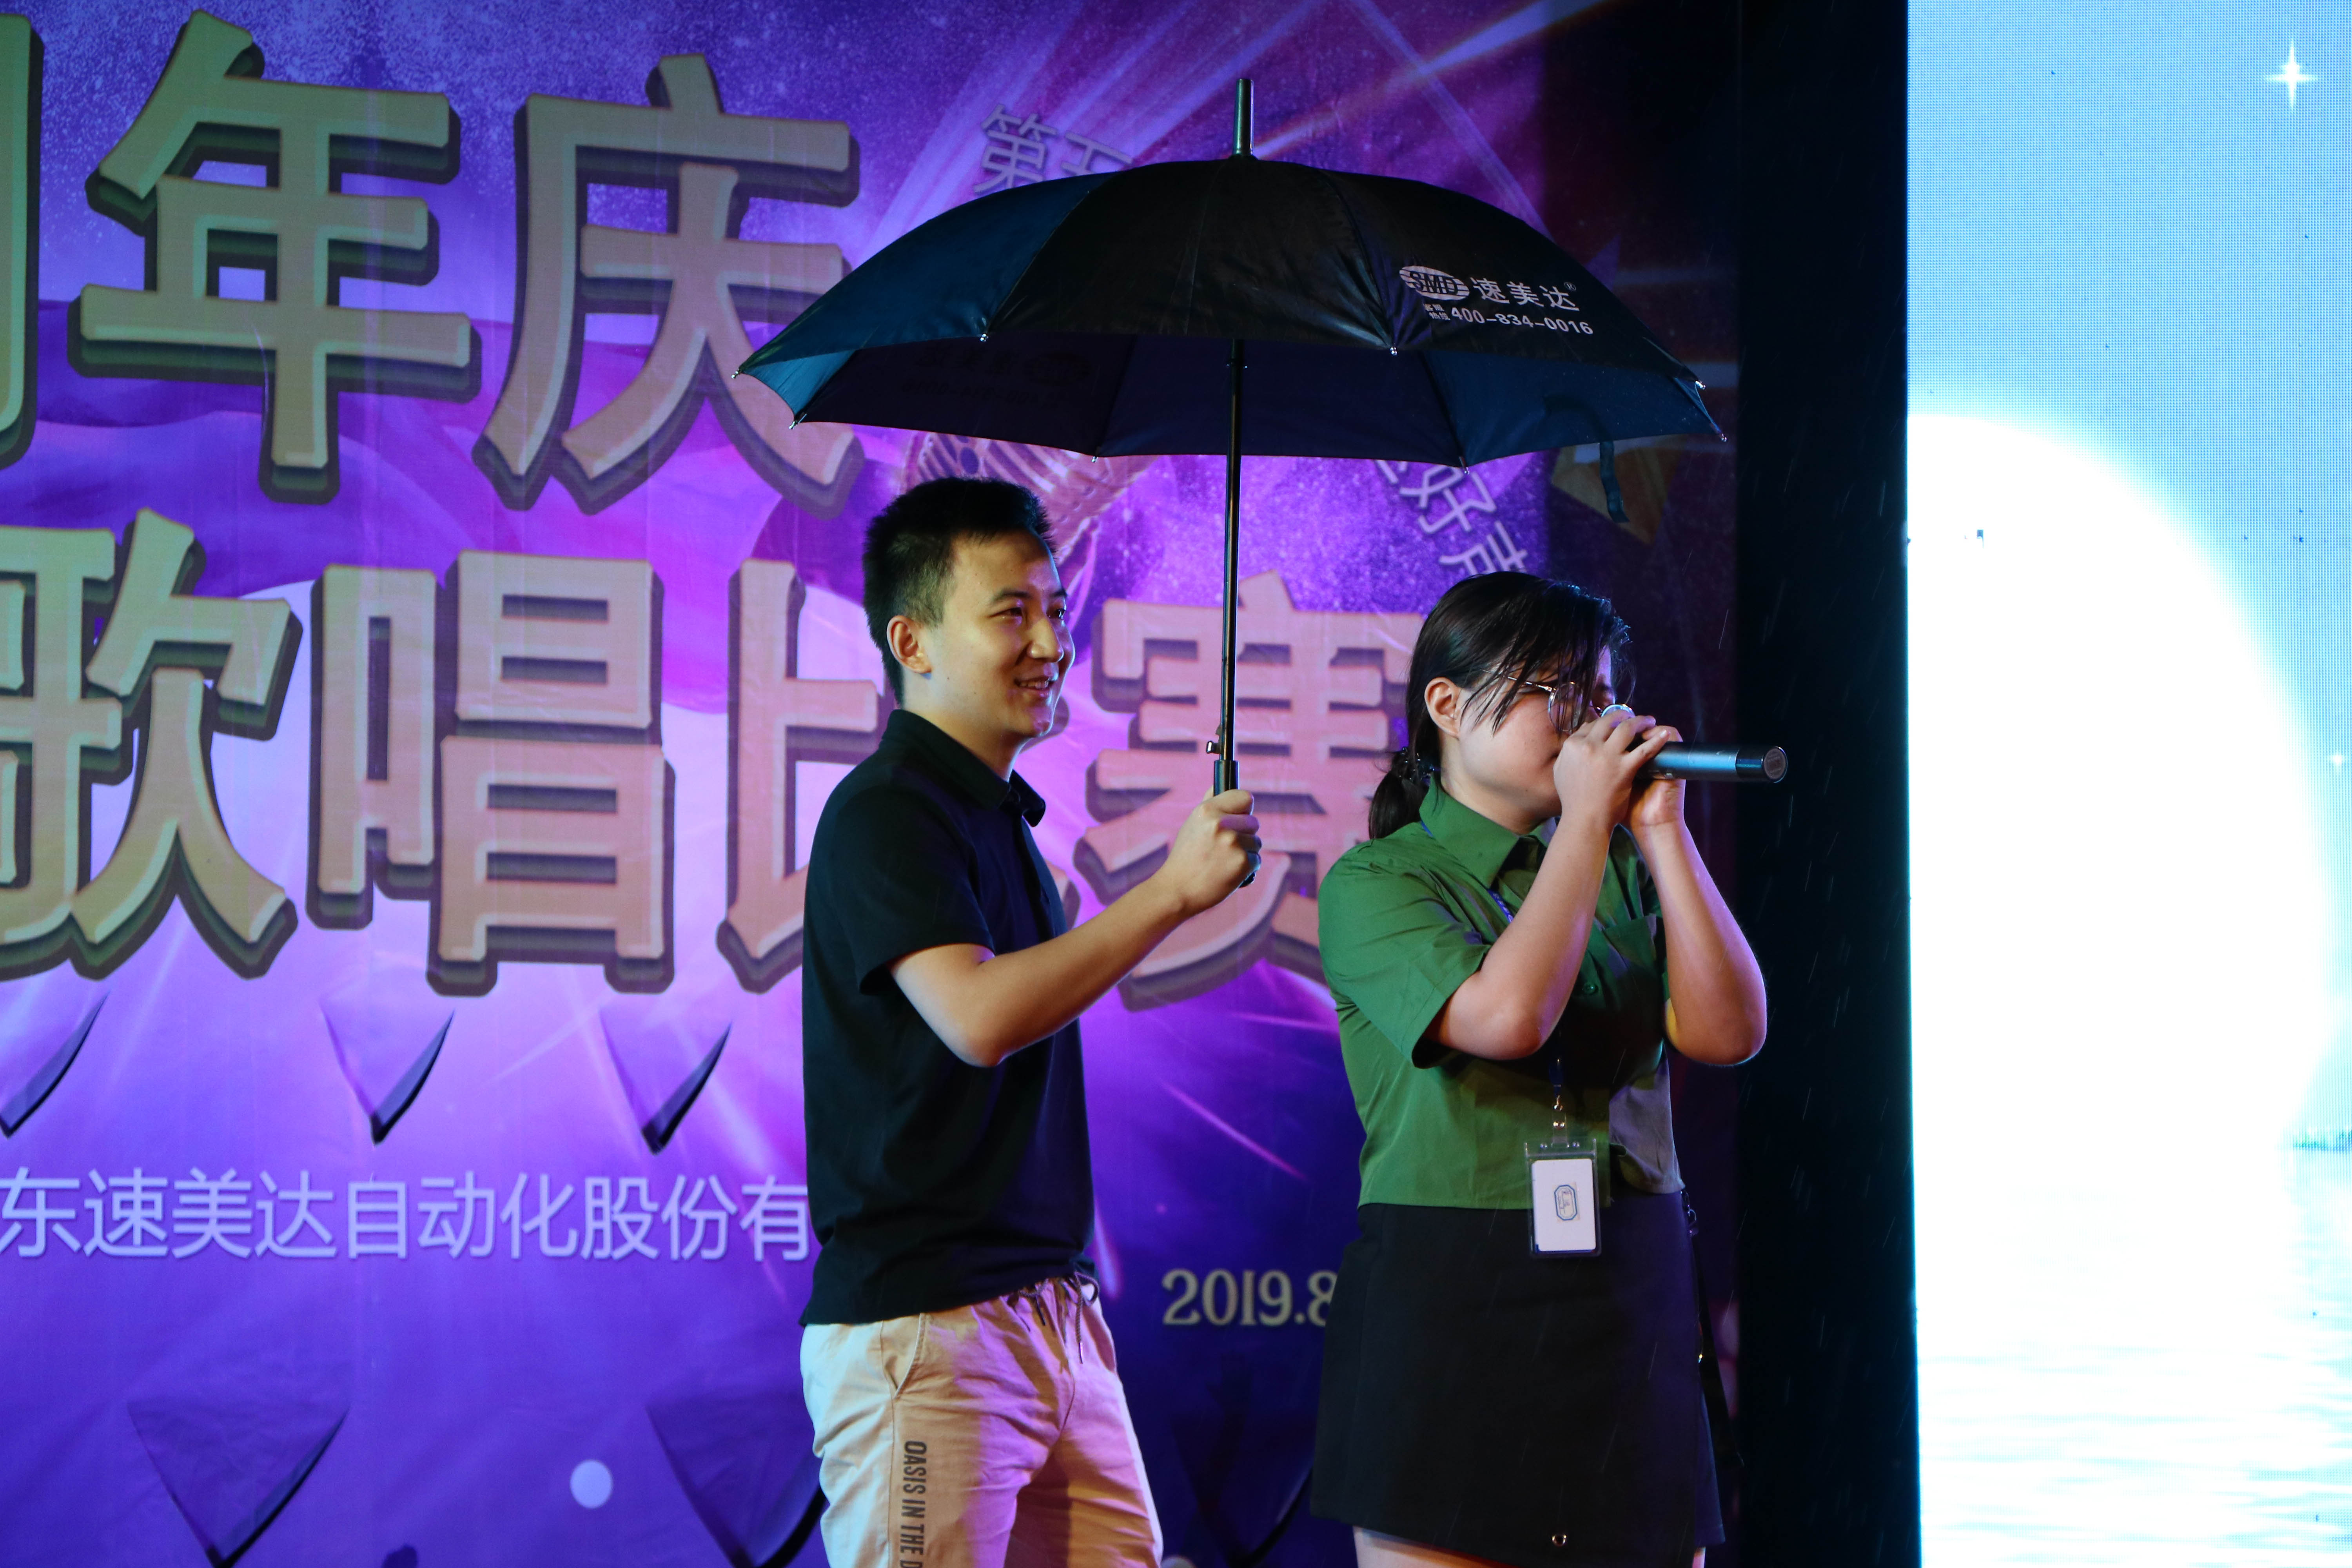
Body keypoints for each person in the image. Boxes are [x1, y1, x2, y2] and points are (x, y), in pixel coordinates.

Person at [797, 476, 1261, 1568]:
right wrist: (1170, 894)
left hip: (1051, 1312)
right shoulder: (888, 809)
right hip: (928, 1324)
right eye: (1013, 613)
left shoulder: (997, 816)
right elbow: (977, 1017)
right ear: (911, 641)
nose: (1051, 642)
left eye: (1055, 609)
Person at [1310, 572, 1766, 1568]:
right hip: (1455, 1294)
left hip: (1631, 1285)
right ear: (1446, 704)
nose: (1589, 719)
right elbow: (1509, 1015)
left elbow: (1730, 1031)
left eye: (1601, 693)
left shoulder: (1627, 866)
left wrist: (1660, 831)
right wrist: (1590, 826)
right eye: (1554, 690)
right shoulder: (1378, 880)